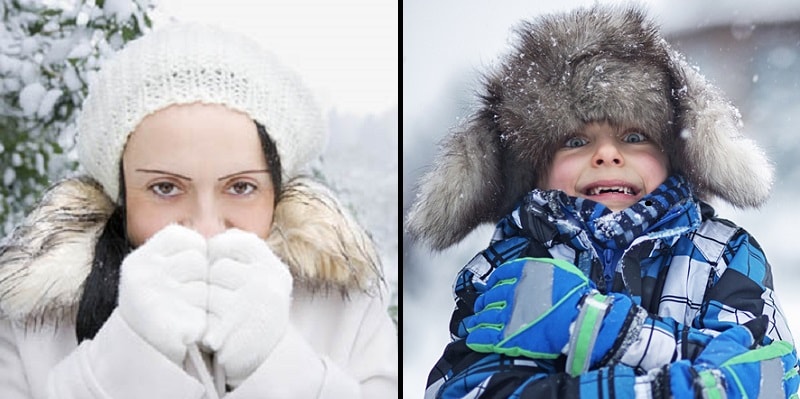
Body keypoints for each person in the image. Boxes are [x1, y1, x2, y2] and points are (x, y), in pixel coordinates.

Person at [406, 4, 799, 398]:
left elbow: (766, 379)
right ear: (535, 169)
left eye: (634, 137)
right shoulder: (510, 264)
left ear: (673, 156)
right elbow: (466, 390)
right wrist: (683, 382)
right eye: (576, 141)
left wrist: (598, 328)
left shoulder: (724, 254)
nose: (607, 155)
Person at [0, 22, 397, 398]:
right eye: (165, 188)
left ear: (277, 190)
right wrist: (127, 358)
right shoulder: (33, 318)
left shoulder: (347, 306)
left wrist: (274, 365)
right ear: (120, 193)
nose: (206, 228)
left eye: (241, 187)